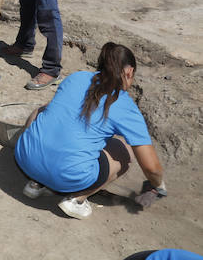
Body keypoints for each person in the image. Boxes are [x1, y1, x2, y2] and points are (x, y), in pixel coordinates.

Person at [14, 42, 166, 220]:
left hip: (25, 158)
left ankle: (36, 183)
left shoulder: (76, 77)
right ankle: (76, 200)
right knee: (125, 148)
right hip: (66, 176)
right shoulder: (125, 106)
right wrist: (158, 185)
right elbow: (151, 167)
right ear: (129, 72)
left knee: (42, 112)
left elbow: (53, 111)